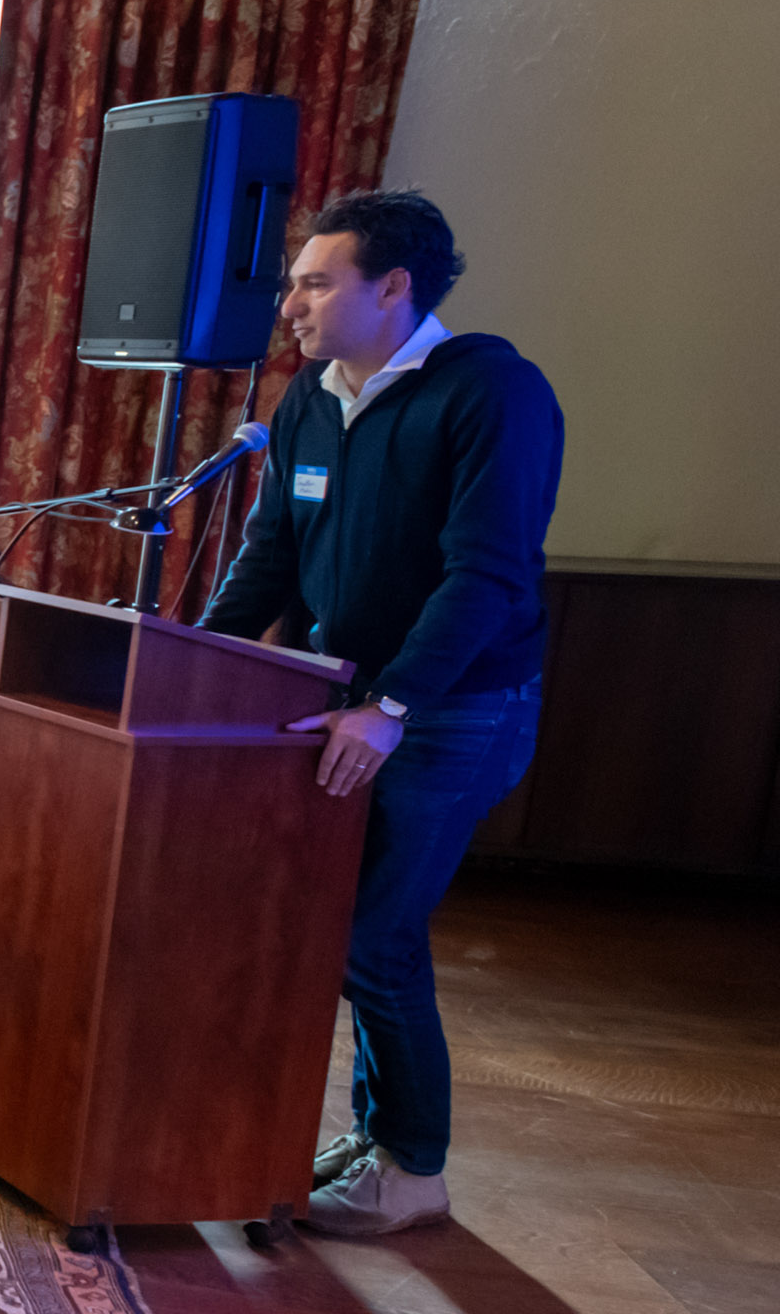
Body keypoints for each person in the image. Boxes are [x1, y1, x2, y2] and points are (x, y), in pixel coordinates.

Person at [204, 189, 563, 1240]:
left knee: (374, 934)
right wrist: (199, 661)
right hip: (344, 700)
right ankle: (376, 1137)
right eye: (293, 284)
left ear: (393, 287)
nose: (291, 306)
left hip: (454, 710)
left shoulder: (490, 392)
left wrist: (392, 705)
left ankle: (413, 1172)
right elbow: (274, 550)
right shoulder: (310, 400)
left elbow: (485, 574)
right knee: (342, 930)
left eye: (316, 283)